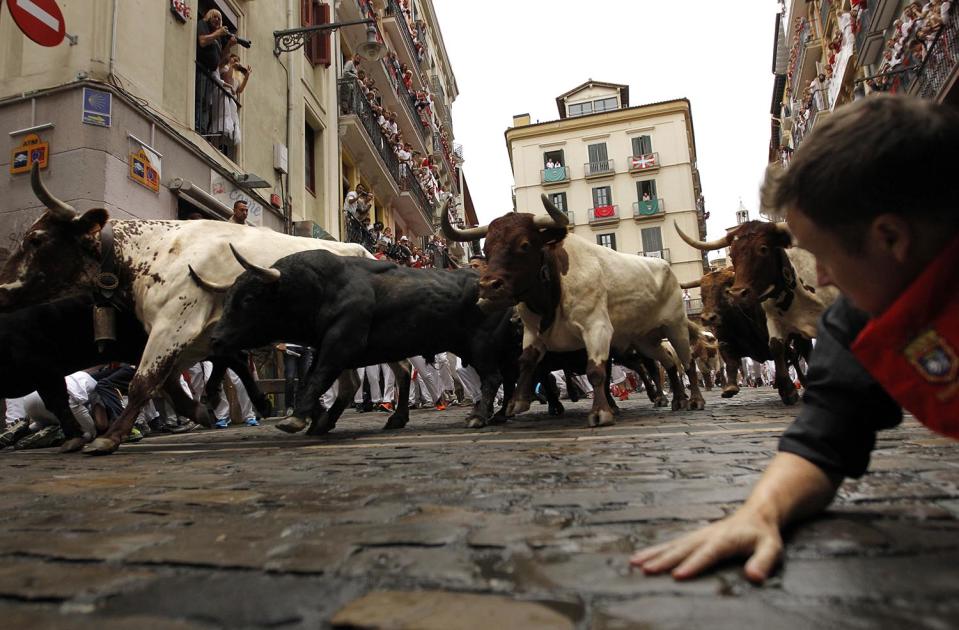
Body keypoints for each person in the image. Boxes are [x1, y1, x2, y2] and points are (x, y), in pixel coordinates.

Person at [631, 95, 959, 584]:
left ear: (890, 238)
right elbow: (825, 433)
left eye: (823, 255)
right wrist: (759, 512)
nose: (822, 277)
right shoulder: (861, 313)